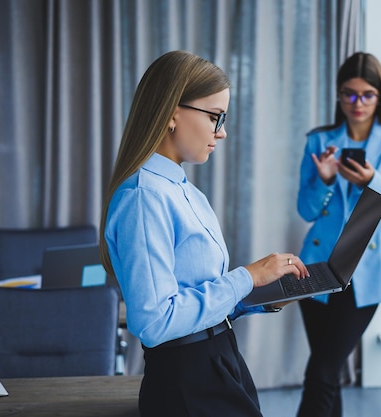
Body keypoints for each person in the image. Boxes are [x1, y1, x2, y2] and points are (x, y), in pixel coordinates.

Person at [99, 50, 308, 417]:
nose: (222, 131)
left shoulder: (183, 190)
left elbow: (193, 296)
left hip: (219, 362)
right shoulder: (143, 197)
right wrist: (246, 276)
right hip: (187, 381)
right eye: (215, 117)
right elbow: (155, 322)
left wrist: (255, 295)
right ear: (171, 114)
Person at [295, 52, 381, 417]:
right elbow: (306, 210)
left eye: (367, 95)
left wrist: (373, 182)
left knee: (321, 372)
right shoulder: (319, 141)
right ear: (338, 94)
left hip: (369, 268)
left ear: (380, 96)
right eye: (348, 94)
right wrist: (326, 181)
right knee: (326, 373)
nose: (357, 103)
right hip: (317, 266)